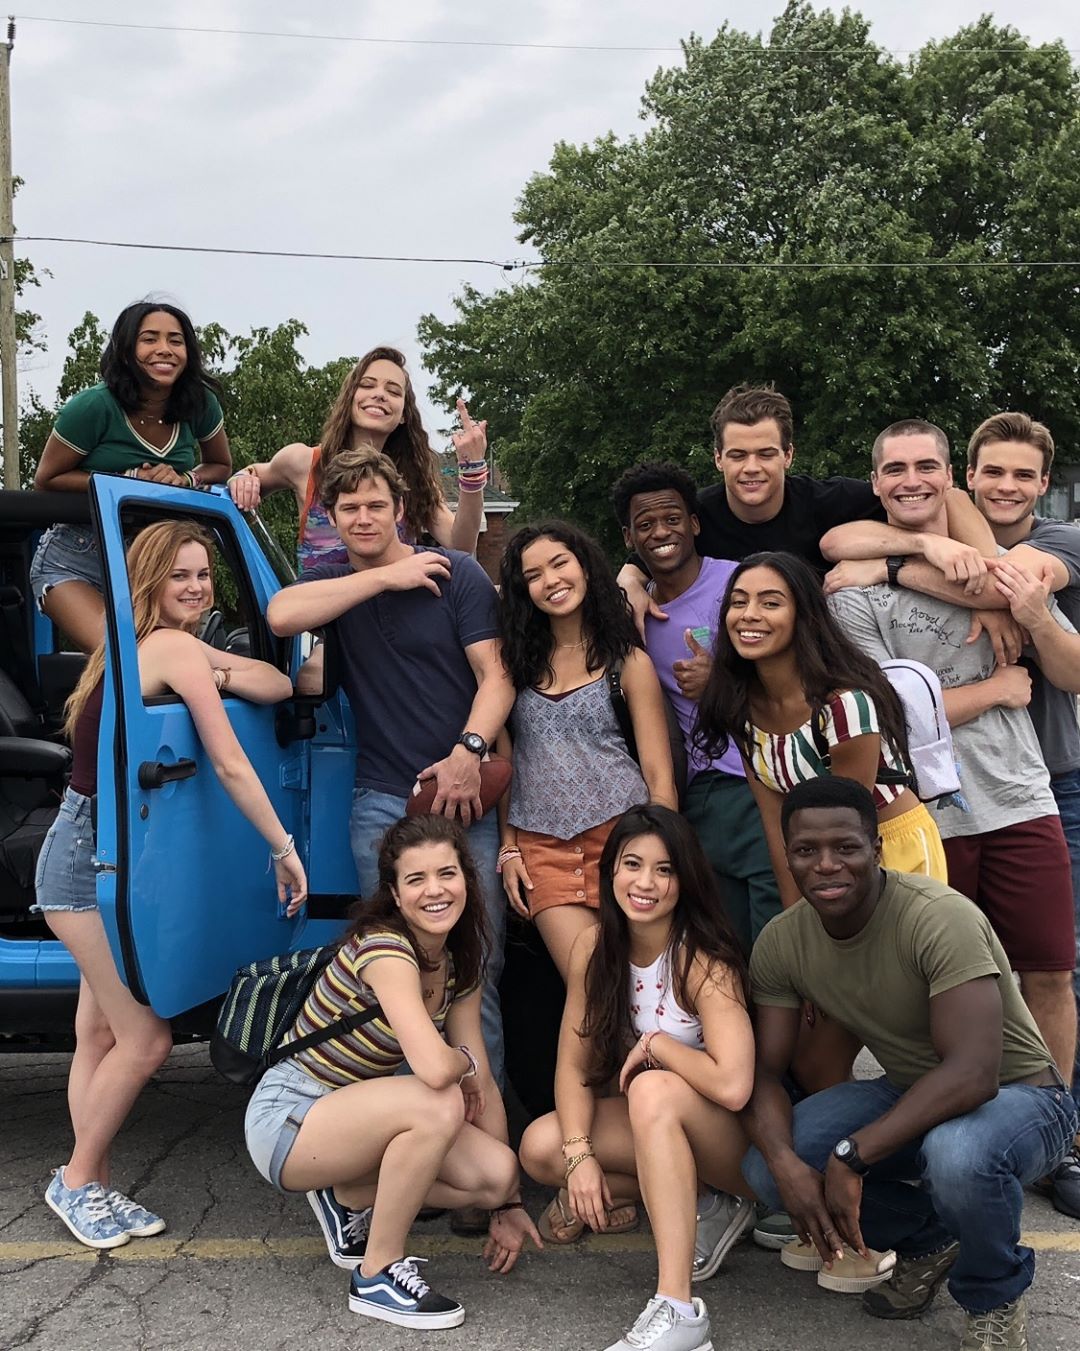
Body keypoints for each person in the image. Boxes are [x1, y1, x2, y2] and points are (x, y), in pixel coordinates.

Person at [823, 410, 1080, 1216]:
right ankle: (950, 1128)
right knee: (939, 989)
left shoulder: (1003, 561)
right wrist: (996, 688)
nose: (912, 480)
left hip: (1020, 796)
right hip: (924, 815)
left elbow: (1053, 648)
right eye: (895, 468)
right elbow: (885, 712)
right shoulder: (851, 585)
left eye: (925, 466)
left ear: (948, 477)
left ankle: (1053, 1134)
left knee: (1049, 970)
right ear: (875, 481)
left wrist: (1009, 603)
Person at [36, 520, 306, 1250]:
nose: (196, 587)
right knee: (146, 1038)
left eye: (204, 575)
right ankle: (77, 1180)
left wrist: (212, 672)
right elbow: (231, 762)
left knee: (97, 1032)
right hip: (84, 863)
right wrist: (283, 847)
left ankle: (90, 1181)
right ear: (149, 582)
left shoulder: (144, 646)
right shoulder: (173, 648)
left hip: (94, 849)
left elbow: (277, 680)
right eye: (179, 575)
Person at [740, 776, 1077, 1351]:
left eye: (845, 847)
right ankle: (931, 1238)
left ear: (876, 849)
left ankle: (993, 1296)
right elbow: (766, 1074)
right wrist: (784, 1164)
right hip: (913, 1088)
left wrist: (852, 1154)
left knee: (957, 1156)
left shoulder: (937, 916)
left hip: (1022, 1097)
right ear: (788, 856)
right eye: (806, 850)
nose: (826, 865)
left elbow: (974, 1073)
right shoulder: (781, 941)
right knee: (765, 1167)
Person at [266, 447, 514, 1085]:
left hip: (465, 796)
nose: (364, 518)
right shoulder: (338, 586)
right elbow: (280, 615)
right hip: (381, 801)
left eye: (377, 505)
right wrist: (383, 578)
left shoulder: (457, 574)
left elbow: (498, 677)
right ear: (331, 516)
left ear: (401, 509)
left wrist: (469, 751)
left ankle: (484, 1130)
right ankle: (415, 1125)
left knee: (476, 969)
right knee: (397, 972)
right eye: (349, 508)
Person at [244, 813, 541, 1330]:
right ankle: (377, 1274)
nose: (435, 890)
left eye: (447, 874)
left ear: (467, 880)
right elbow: (438, 1070)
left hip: (351, 1120)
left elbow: (482, 1085)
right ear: (396, 895)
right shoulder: (385, 948)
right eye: (416, 879)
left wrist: (508, 1204)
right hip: (289, 1118)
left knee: (495, 1175)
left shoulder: (457, 962)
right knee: (439, 1101)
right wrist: (463, 1064)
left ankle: (347, 1194)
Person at [519, 806, 754, 1351]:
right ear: (611, 871)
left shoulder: (702, 958)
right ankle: (706, 1204)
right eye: (632, 864)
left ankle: (679, 1310)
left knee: (650, 1087)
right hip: (660, 1125)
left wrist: (658, 1046)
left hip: (732, 1142)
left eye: (664, 869)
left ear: (685, 880)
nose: (645, 883)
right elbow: (573, 1066)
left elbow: (734, 1085)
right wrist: (579, 1159)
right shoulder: (595, 946)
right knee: (542, 1149)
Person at [617, 383, 990, 630]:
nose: (751, 468)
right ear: (718, 459)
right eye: (738, 455)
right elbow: (639, 562)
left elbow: (950, 496)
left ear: (788, 455)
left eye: (766, 454)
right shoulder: (697, 515)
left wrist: (986, 588)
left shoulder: (829, 500)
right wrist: (630, 587)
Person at [696, 550, 947, 903]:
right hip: (820, 856)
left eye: (770, 603)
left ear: (804, 616)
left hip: (887, 849)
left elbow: (845, 826)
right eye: (739, 602)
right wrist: (795, 917)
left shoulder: (844, 705)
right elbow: (777, 828)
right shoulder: (742, 707)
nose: (749, 614)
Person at [496, 521, 677, 983]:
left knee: (644, 984)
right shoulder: (513, 667)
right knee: (590, 982)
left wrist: (659, 854)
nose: (551, 580)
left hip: (624, 842)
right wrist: (508, 848)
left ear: (586, 568)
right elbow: (506, 765)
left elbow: (658, 773)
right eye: (533, 575)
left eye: (560, 563)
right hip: (543, 848)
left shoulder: (628, 661)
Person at [612, 461, 778, 955]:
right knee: (722, 945)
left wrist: (721, 680)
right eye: (645, 524)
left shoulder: (740, 586)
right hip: (700, 795)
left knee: (776, 940)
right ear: (629, 538)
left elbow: (801, 672)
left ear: (695, 524)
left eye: (672, 519)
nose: (661, 532)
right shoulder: (632, 614)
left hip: (765, 775)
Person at [31, 301, 232, 653]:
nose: (164, 349)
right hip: (77, 555)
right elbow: (47, 479)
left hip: (158, 560)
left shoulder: (200, 403)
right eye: (149, 339)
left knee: (175, 661)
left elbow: (219, 466)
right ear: (125, 350)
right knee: (125, 657)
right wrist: (128, 479)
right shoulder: (93, 405)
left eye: (175, 340)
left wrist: (185, 480)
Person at [228, 345, 487, 567]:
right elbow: (251, 473)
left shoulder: (412, 479)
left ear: (404, 415)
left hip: (392, 610)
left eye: (393, 391)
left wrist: (472, 470)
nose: (379, 394)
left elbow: (461, 546)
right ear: (350, 398)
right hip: (321, 609)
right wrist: (242, 478)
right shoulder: (305, 462)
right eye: (367, 385)